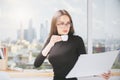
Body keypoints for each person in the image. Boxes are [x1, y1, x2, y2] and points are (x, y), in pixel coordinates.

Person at [34, 9, 111, 80]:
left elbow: (85, 64)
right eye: (61, 23)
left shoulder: (77, 40)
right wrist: (51, 43)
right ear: (55, 25)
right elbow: (37, 64)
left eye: (68, 23)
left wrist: (100, 73)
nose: (65, 26)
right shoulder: (51, 41)